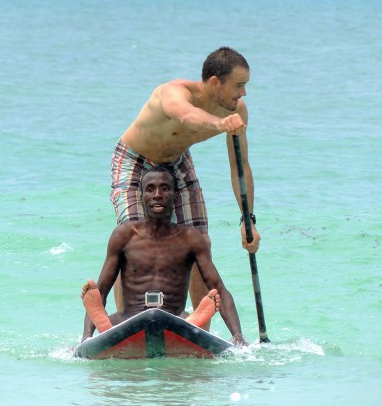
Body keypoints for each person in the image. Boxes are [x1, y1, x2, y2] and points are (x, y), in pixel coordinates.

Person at [110, 46, 261, 321]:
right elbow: (187, 116)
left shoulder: (237, 112)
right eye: (238, 86)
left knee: (200, 243)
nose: (243, 93)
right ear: (215, 82)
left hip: (177, 162)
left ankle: (198, 328)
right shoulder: (172, 93)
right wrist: (220, 123)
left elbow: (240, 168)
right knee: (133, 242)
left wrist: (247, 219)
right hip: (136, 160)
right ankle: (126, 321)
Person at [82, 166, 247, 346]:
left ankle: (194, 321)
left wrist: (237, 335)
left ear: (176, 197)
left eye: (165, 188)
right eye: (150, 189)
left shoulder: (190, 238)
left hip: (173, 320)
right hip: (130, 320)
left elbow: (219, 289)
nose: (157, 194)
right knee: (103, 309)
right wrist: (86, 338)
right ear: (142, 196)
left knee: (186, 321)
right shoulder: (124, 235)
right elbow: (102, 290)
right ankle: (104, 325)